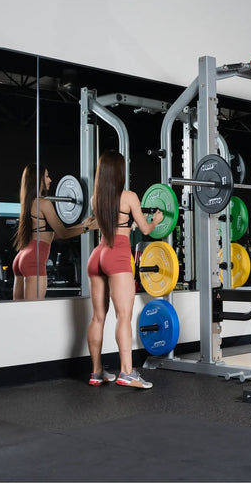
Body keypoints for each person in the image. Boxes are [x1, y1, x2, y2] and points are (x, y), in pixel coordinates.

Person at [87, 150, 163, 389]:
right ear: (119, 172)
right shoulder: (129, 197)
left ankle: (96, 372)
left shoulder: (95, 199)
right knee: (124, 316)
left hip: (98, 254)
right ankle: (127, 373)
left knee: (98, 317)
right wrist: (156, 220)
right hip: (117, 254)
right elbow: (146, 229)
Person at [12, 163, 97, 301]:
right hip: (34, 259)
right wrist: (88, 228)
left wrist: (83, 225)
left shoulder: (29, 202)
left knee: (20, 310)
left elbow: (53, 234)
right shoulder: (44, 203)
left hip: (22, 257)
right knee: (32, 310)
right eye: (46, 176)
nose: (50, 180)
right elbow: (63, 234)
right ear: (38, 179)